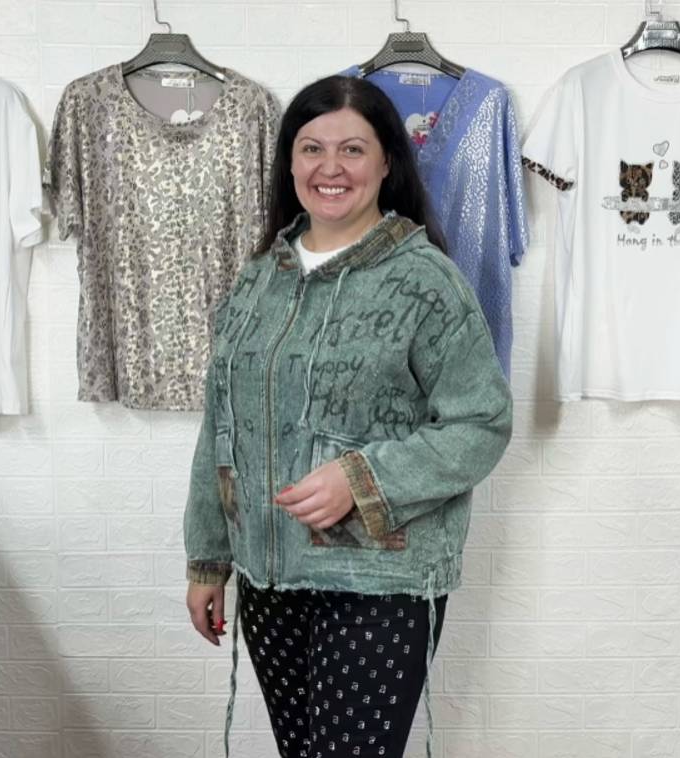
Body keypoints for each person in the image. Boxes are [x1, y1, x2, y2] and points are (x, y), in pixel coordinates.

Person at [183, 74, 513, 758]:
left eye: (352, 150)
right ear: (290, 162)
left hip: (379, 585)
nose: (329, 168)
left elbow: (480, 423)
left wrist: (361, 480)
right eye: (312, 148)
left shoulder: (426, 281)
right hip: (269, 579)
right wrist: (208, 560)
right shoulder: (259, 280)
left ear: (387, 162)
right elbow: (221, 425)